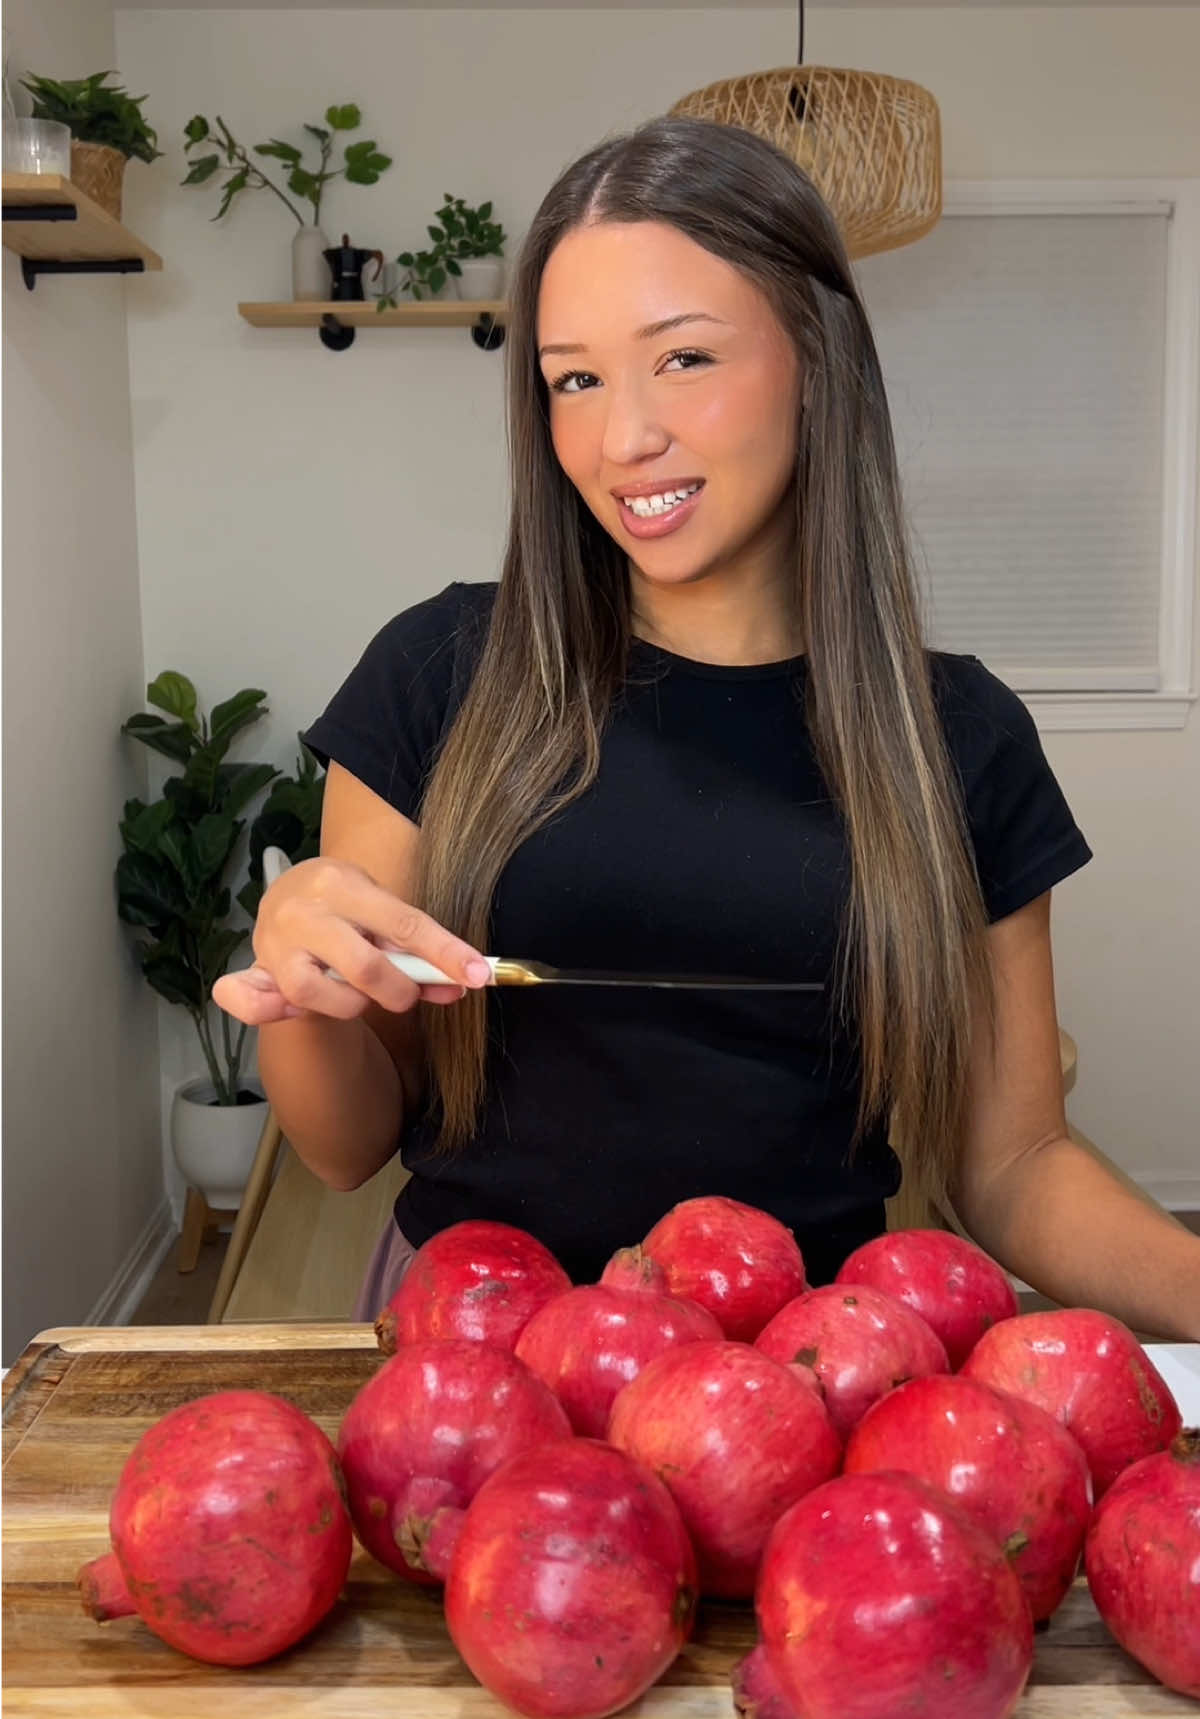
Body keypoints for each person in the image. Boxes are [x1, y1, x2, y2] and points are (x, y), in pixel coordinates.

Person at [215, 116, 1200, 1338]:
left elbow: (1014, 1164)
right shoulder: (439, 674)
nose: (623, 438)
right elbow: (345, 1147)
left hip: (811, 1374)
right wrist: (301, 986)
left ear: (816, 356)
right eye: (574, 377)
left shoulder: (960, 737)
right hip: (476, 1368)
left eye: (683, 359)